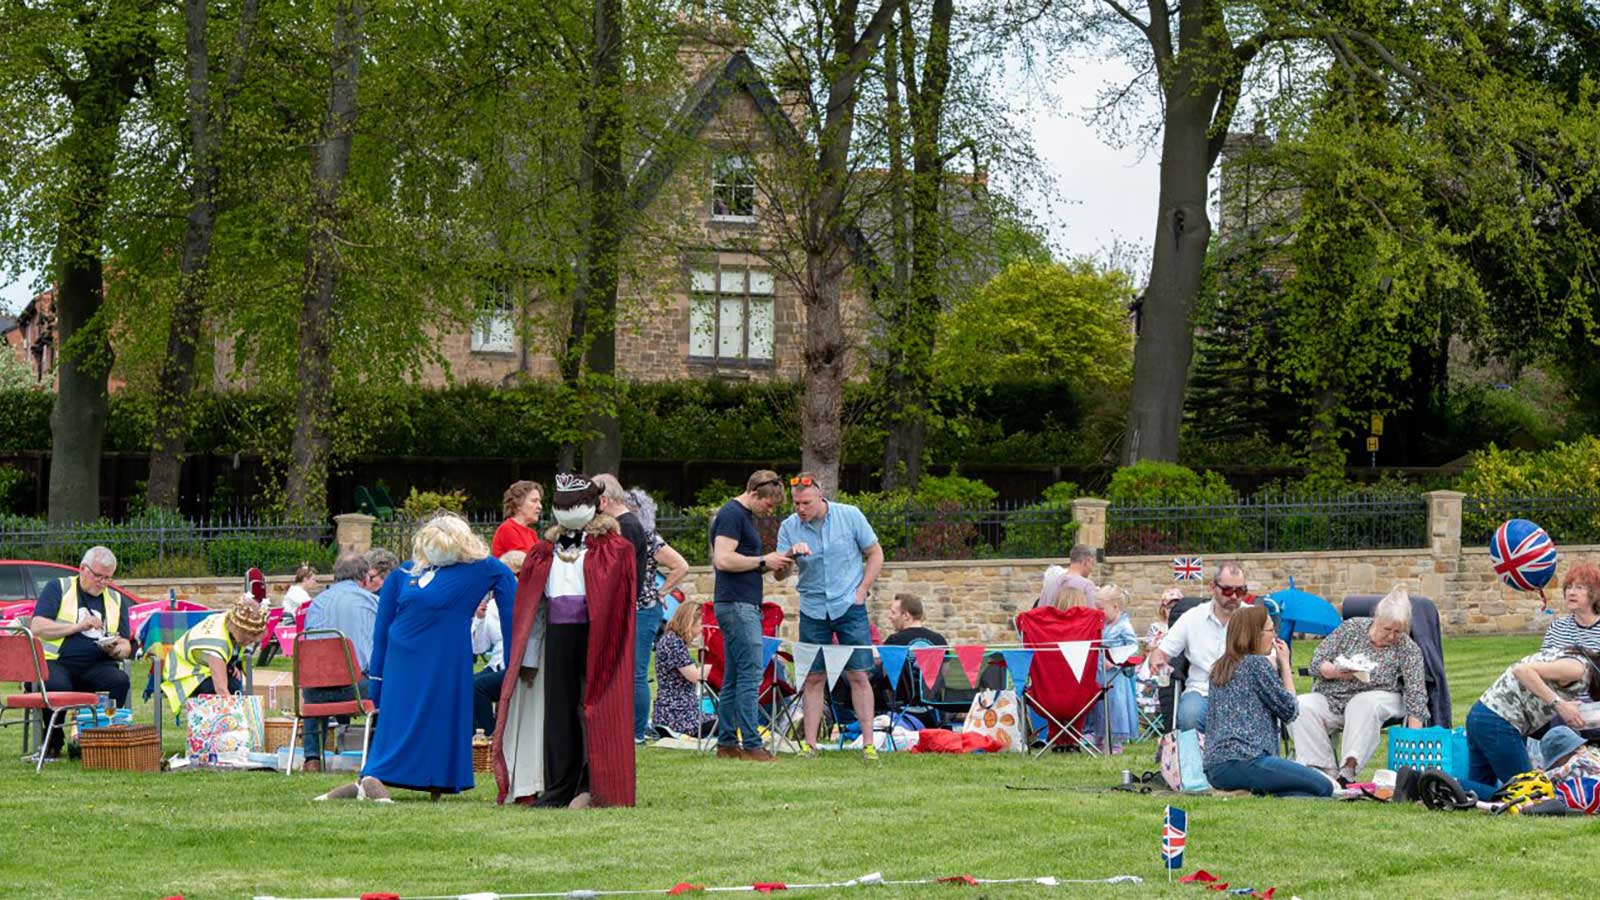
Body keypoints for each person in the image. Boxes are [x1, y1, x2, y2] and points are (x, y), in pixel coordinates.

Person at [319, 513, 516, 803]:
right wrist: (376, 676)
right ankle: (372, 777)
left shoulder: (481, 569)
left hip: (445, 660)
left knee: (437, 716)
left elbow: (511, 606)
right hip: (401, 660)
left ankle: (409, 778)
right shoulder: (405, 573)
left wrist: (512, 660)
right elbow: (382, 630)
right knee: (395, 719)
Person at [494, 474, 637, 808]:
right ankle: (559, 785)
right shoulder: (543, 552)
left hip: (597, 635)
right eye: (563, 507)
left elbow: (619, 600)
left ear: (595, 505)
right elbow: (532, 604)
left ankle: (594, 784)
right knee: (558, 710)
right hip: (558, 635)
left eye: (577, 505)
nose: (569, 512)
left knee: (596, 706)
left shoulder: (615, 549)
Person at [775, 472, 884, 759]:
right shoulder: (788, 527)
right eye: (796, 503)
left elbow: (875, 553)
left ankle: (869, 745)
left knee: (859, 674)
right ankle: (809, 746)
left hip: (849, 606)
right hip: (812, 609)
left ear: (821, 497)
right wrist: (788, 556)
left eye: (806, 503)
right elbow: (778, 574)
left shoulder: (850, 516)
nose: (800, 509)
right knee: (813, 677)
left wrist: (861, 590)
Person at [1291, 585, 1429, 782]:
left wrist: (1414, 741)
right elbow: (1316, 662)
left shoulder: (1407, 648)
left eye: (1398, 632)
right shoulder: (1351, 628)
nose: (1391, 636)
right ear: (1377, 619)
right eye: (1387, 629)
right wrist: (1336, 671)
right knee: (1302, 706)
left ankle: (1348, 769)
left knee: (1362, 702)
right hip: (1334, 696)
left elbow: (1416, 692)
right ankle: (1322, 772)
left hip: (1380, 698)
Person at [1202, 604, 1333, 798]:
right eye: (1271, 630)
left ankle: (1249, 794)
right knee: (1324, 787)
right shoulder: (1256, 664)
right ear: (1255, 633)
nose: (1274, 636)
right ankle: (1252, 793)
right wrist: (1285, 665)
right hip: (1247, 760)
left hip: (1215, 769)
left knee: (1300, 792)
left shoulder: (1220, 667)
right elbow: (1290, 710)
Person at [706, 470, 791, 762]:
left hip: (736, 603)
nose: (769, 510)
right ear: (754, 493)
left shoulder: (741, 516)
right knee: (751, 674)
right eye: (768, 504)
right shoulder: (732, 515)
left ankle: (728, 743)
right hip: (738, 604)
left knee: (733, 676)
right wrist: (763, 560)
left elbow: (743, 562)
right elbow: (724, 558)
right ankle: (753, 744)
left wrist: (774, 562)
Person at [25, 546, 136, 759]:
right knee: (55, 684)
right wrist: (77, 627)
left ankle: (98, 741)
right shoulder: (58, 587)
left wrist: (117, 650)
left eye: (108, 578)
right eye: (99, 576)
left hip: (98, 664)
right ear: (83, 569)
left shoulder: (116, 599)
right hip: (57, 661)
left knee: (119, 681)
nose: (103, 582)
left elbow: (126, 644)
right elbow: (38, 626)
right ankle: (53, 742)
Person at [1453, 646, 1600, 800]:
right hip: (1499, 721)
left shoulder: (1580, 664)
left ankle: (1447, 785)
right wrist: (1560, 704)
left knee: (1478, 793)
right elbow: (1522, 670)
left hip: (1482, 715)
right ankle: (1442, 781)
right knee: (1527, 793)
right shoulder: (1578, 668)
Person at [300, 552, 382, 771]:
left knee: (317, 683)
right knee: (387, 687)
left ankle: (312, 757)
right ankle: (376, 754)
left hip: (314, 693)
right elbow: (378, 655)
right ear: (365, 578)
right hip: (355, 690)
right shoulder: (373, 603)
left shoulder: (315, 604)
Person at [622, 486, 690, 742]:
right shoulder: (620, 537)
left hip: (644, 610)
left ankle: (637, 731)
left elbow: (681, 566)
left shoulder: (648, 538)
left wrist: (662, 592)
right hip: (626, 610)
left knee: (637, 672)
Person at [1147, 561, 1250, 732]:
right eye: (1227, 590)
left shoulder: (1253, 617)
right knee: (1190, 717)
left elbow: (1271, 655)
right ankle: (1193, 759)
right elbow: (1161, 652)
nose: (1234, 596)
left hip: (1243, 690)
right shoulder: (1192, 617)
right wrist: (1158, 660)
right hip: (1201, 689)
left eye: (1240, 591)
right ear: (1212, 587)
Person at [161, 595, 270, 711]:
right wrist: (238, 715)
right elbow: (221, 690)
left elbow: (230, 650)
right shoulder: (216, 645)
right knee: (229, 686)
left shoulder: (228, 619)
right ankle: (210, 724)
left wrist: (232, 665)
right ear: (240, 632)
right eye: (249, 639)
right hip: (183, 673)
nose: (251, 642)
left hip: (202, 665)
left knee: (235, 681)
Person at [471, 550, 521, 739]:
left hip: (517, 666)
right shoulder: (492, 606)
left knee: (477, 687)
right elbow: (480, 648)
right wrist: (480, 619)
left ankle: (491, 736)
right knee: (465, 685)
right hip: (497, 665)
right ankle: (473, 737)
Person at [652, 599, 715, 738]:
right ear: (690, 622)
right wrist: (711, 657)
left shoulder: (671, 640)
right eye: (700, 625)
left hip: (677, 710)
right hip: (678, 714)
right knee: (726, 724)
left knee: (723, 722)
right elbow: (696, 677)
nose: (701, 630)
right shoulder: (674, 643)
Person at [1095, 585, 1140, 754]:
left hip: (1116, 676)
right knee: (1100, 707)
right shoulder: (1103, 625)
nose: (1099, 612)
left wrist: (1115, 660)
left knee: (1115, 707)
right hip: (1101, 674)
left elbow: (1133, 647)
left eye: (1101, 609)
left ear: (1115, 606)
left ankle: (1115, 743)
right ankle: (1099, 739)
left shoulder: (1124, 627)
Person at [1542, 563, 1600, 656]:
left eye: (1579, 587)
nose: (1571, 593)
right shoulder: (1557, 627)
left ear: (1595, 593)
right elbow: (1542, 661)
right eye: (1568, 587)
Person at [491, 480, 544, 558]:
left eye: (539, 501)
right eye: (534, 501)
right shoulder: (507, 529)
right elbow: (526, 561)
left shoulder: (532, 533)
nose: (540, 506)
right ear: (518, 504)